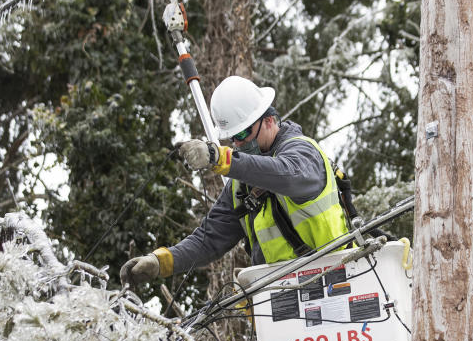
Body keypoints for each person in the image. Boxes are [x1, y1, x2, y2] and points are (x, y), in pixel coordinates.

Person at [120, 75, 349, 286]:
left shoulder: (303, 152)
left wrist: (219, 158)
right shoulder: (241, 186)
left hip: (339, 280)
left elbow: (286, 176)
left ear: (268, 120)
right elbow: (210, 238)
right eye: (233, 138)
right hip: (283, 297)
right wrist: (161, 261)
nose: (238, 144)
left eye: (242, 134)